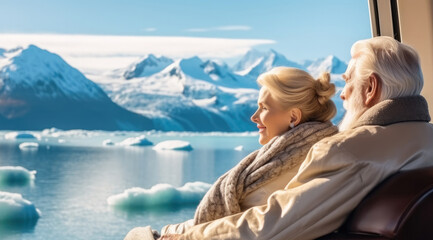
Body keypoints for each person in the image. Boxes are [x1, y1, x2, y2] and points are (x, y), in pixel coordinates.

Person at [151, 36, 433, 240]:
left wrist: (183, 236)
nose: (343, 93)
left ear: (371, 88)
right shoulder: (431, 140)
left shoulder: (349, 150)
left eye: (349, 80)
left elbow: (272, 227)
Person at [124, 67, 339, 239]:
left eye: (263, 108)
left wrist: (186, 235)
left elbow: (258, 226)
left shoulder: (309, 161)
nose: (254, 117)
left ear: (293, 117)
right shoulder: (288, 155)